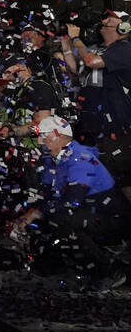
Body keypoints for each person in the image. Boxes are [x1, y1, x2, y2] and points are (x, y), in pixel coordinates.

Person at [10, 115, 129, 290]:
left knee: (60, 219)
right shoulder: (53, 160)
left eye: (45, 135)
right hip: (89, 211)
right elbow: (49, 194)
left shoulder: (81, 159)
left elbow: (71, 201)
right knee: (46, 219)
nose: (40, 140)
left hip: (110, 217)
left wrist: (36, 212)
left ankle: (109, 272)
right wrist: (29, 215)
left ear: (60, 136)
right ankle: (63, 268)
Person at [69, 12, 131, 204]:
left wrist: (76, 38)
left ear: (123, 28)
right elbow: (75, 69)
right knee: (105, 185)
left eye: (110, 19)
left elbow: (91, 62)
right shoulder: (100, 49)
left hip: (116, 128)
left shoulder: (124, 48)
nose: (103, 22)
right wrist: (66, 41)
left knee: (126, 182)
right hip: (94, 127)